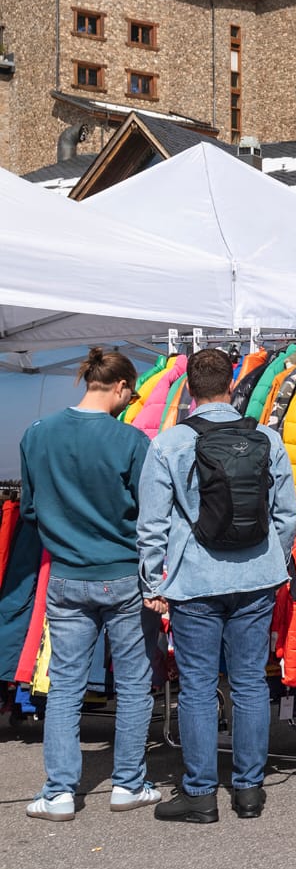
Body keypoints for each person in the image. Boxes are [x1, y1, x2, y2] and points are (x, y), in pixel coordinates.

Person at [136, 348, 296, 823]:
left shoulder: (169, 443)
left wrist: (152, 579)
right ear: (233, 385)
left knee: (199, 687)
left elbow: (152, 524)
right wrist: (275, 560)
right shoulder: (267, 437)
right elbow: (285, 514)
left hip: (194, 582)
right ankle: (249, 791)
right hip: (256, 577)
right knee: (249, 682)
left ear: (188, 391)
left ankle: (201, 794)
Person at [20, 348, 160, 822]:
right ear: (120, 387)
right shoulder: (131, 441)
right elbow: (150, 516)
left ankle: (59, 792)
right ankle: (128, 783)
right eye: (132, 392)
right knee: (136, 684)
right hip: (123, 574)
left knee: (65, 687)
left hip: (66, 574)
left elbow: (31, 510)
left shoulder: (37, 434)